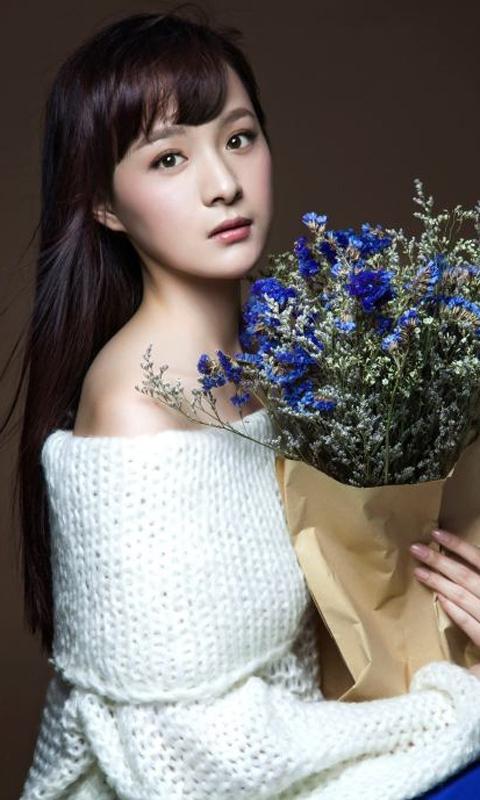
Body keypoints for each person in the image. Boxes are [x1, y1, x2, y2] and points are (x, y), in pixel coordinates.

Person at [11, 5, 480, 799]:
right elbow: (193, 761)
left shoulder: (290, 360)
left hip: (300, 744)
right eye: (168, 158)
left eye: (238, 138)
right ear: (104, 203)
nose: (224, 184)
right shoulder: (133, 413)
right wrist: (457, 703)